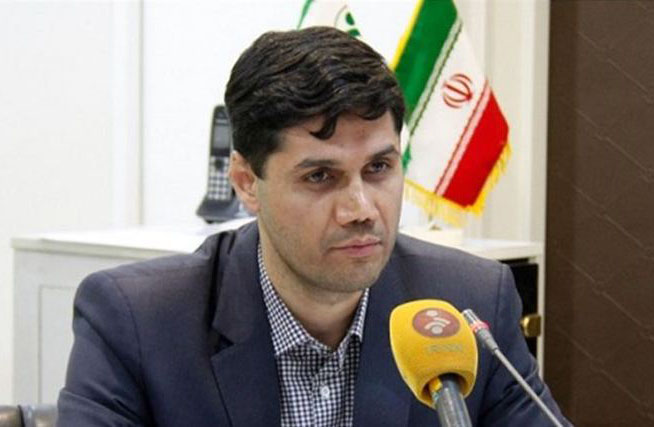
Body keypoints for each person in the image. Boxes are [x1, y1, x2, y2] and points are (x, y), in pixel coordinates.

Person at [57, 27, 569, 426]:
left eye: (379, 168)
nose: (361, 208)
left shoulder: (466, 304)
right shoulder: (139, 322)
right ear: (247, 182)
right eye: (320, 176)